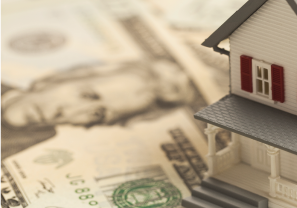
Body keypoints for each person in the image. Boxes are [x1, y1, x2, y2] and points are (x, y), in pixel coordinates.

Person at [0, 59, 196, 157]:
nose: (69, 112)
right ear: (64, 78)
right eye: (86, 95)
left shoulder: (37, 138)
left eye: (97, 113)